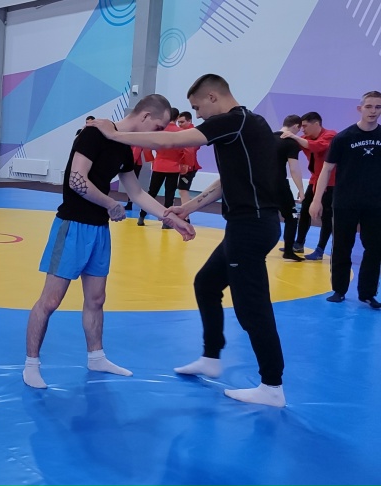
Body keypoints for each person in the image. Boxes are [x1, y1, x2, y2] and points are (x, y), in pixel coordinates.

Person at [91, 74, 288, 407]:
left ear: (212, 97)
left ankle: (272, 386)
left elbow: (171, 141)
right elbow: (226, 182)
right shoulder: (248, 126)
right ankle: (211, 358)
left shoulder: (233, 121)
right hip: (250, 225)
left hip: (250, 228)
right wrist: (188, 207)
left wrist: (114, 134)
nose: (197, 116)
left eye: (197, 108)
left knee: (252, 307)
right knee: (206, 284)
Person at [23, 94, 195, 390]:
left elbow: (137, 193)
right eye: (158, 127)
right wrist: (110, 204)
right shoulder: (94, 134)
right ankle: (31, 364)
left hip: (98, 230)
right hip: (72, 226)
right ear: (145, 116)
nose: (157, 134)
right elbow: (76, 180)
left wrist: (171, 217)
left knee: (96, 299)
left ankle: (96, 357)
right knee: (50, 301)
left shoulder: (124, 146)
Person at [308, 91, 381, 309]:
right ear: (360, 109)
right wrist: (316, 200)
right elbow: (326, 169)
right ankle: (339, 290)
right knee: (341, 246)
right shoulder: (344, 137)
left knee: (375, 248)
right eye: (369, 106)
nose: (373, 111)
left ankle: (367, 293)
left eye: (378, 107)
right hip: (345, 202)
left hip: (375, 203)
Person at [287, 112, 337, 260]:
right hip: (315, 181)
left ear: (316, 124)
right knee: (305, 211)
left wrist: (294, 137)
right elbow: (291, 145)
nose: (303, 130)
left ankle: (320, 250)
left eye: (305, 126)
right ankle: (299, 243)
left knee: (326, 217)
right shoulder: (306, 138)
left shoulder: (330, 135)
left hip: (331, 183)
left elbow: (317, 147)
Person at [138, 108, 183, 228]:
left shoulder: (159, 130)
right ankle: (166, 223)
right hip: (174, 167)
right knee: (170, 195)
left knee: (151, 193)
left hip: (159, 165)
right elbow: (186, 151)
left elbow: (147, 146)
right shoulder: (180, 132)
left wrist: (151, 159)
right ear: (177, 117)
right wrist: (183, 163)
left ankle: (141, 216)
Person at [274, 115, 306, 261]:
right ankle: (288, 250)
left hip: (261, 184)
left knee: (262, 215)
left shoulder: (267, 137)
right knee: (291, 217)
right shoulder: (291, 142)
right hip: (279, 184)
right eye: (300, 129)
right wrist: (301, 189)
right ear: (295, 126)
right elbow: (294, 169)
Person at [175, 111, 202, 206]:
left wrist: (187, 166)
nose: (180, 124)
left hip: (189, 167)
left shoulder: (191, 134)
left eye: (182, 122)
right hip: (186, 165)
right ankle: (188, 208)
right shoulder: (185, 133)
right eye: (178, 122)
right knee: (182, 190)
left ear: (189, 121)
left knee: (183, 190)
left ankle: (186, 213)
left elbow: (190, 151)